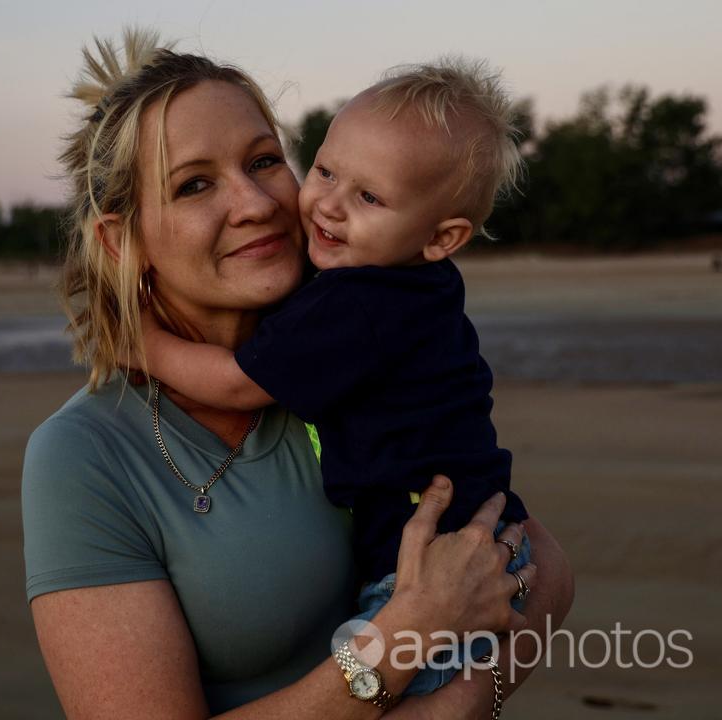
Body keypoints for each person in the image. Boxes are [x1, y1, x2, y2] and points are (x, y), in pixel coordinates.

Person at [22, 28, 574, 718]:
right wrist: (412, 642)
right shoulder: (85, 456)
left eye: (263, 160)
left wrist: (470, 677)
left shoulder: (342, 365)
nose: (255, 203)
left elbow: (533, 557)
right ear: (121, 240)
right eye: (194, 184)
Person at [136, 58, 530, 697]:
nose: (328, 206)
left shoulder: (362, 302)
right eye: (324, 171)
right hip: (477, 537)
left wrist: (137, 341)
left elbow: (239, 383)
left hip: (431, 559)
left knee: (380, 691)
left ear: (441, 237)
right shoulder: (410, 283)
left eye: (369, 197)